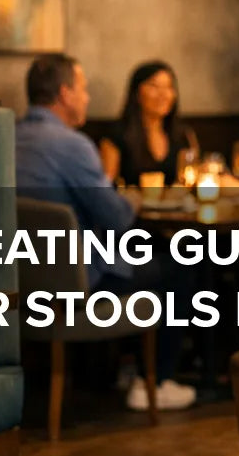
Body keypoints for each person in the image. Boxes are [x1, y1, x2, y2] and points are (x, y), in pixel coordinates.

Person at [14, 53, 197, 411]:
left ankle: (129, 373)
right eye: (83, 89)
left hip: (19, 286)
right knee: (181, 265)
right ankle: (155, 381)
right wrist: (132, 201)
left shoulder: (6, 137)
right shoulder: (71, 145)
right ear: (65, 94)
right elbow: (115, 218)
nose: (87, 98)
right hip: (76, 287)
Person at [99, 60, 188, 186]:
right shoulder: (116, 136)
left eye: (168, 87)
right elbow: (106, 186)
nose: (163, 94)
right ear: (136, 93)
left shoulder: (182, 134)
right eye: (154, 86)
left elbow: (191, 176)